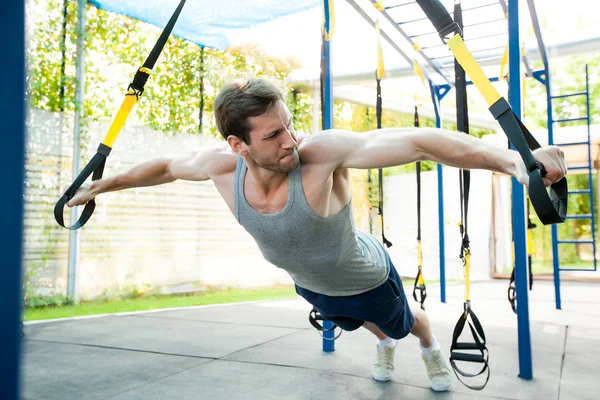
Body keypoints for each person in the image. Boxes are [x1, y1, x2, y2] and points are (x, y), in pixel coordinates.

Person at [67, 77, 566, 392]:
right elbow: (165, 167)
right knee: (357, 324)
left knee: (400, 324)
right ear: (238, 144)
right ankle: (385, 343)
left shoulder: (321, 155)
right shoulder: (220, 166)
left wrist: (514, 162)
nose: (291, 140)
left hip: (367, 275)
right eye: (274, 135)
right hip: (310, 285)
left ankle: (430, 349)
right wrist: (100, 187)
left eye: (289, 125)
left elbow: (419, 143)